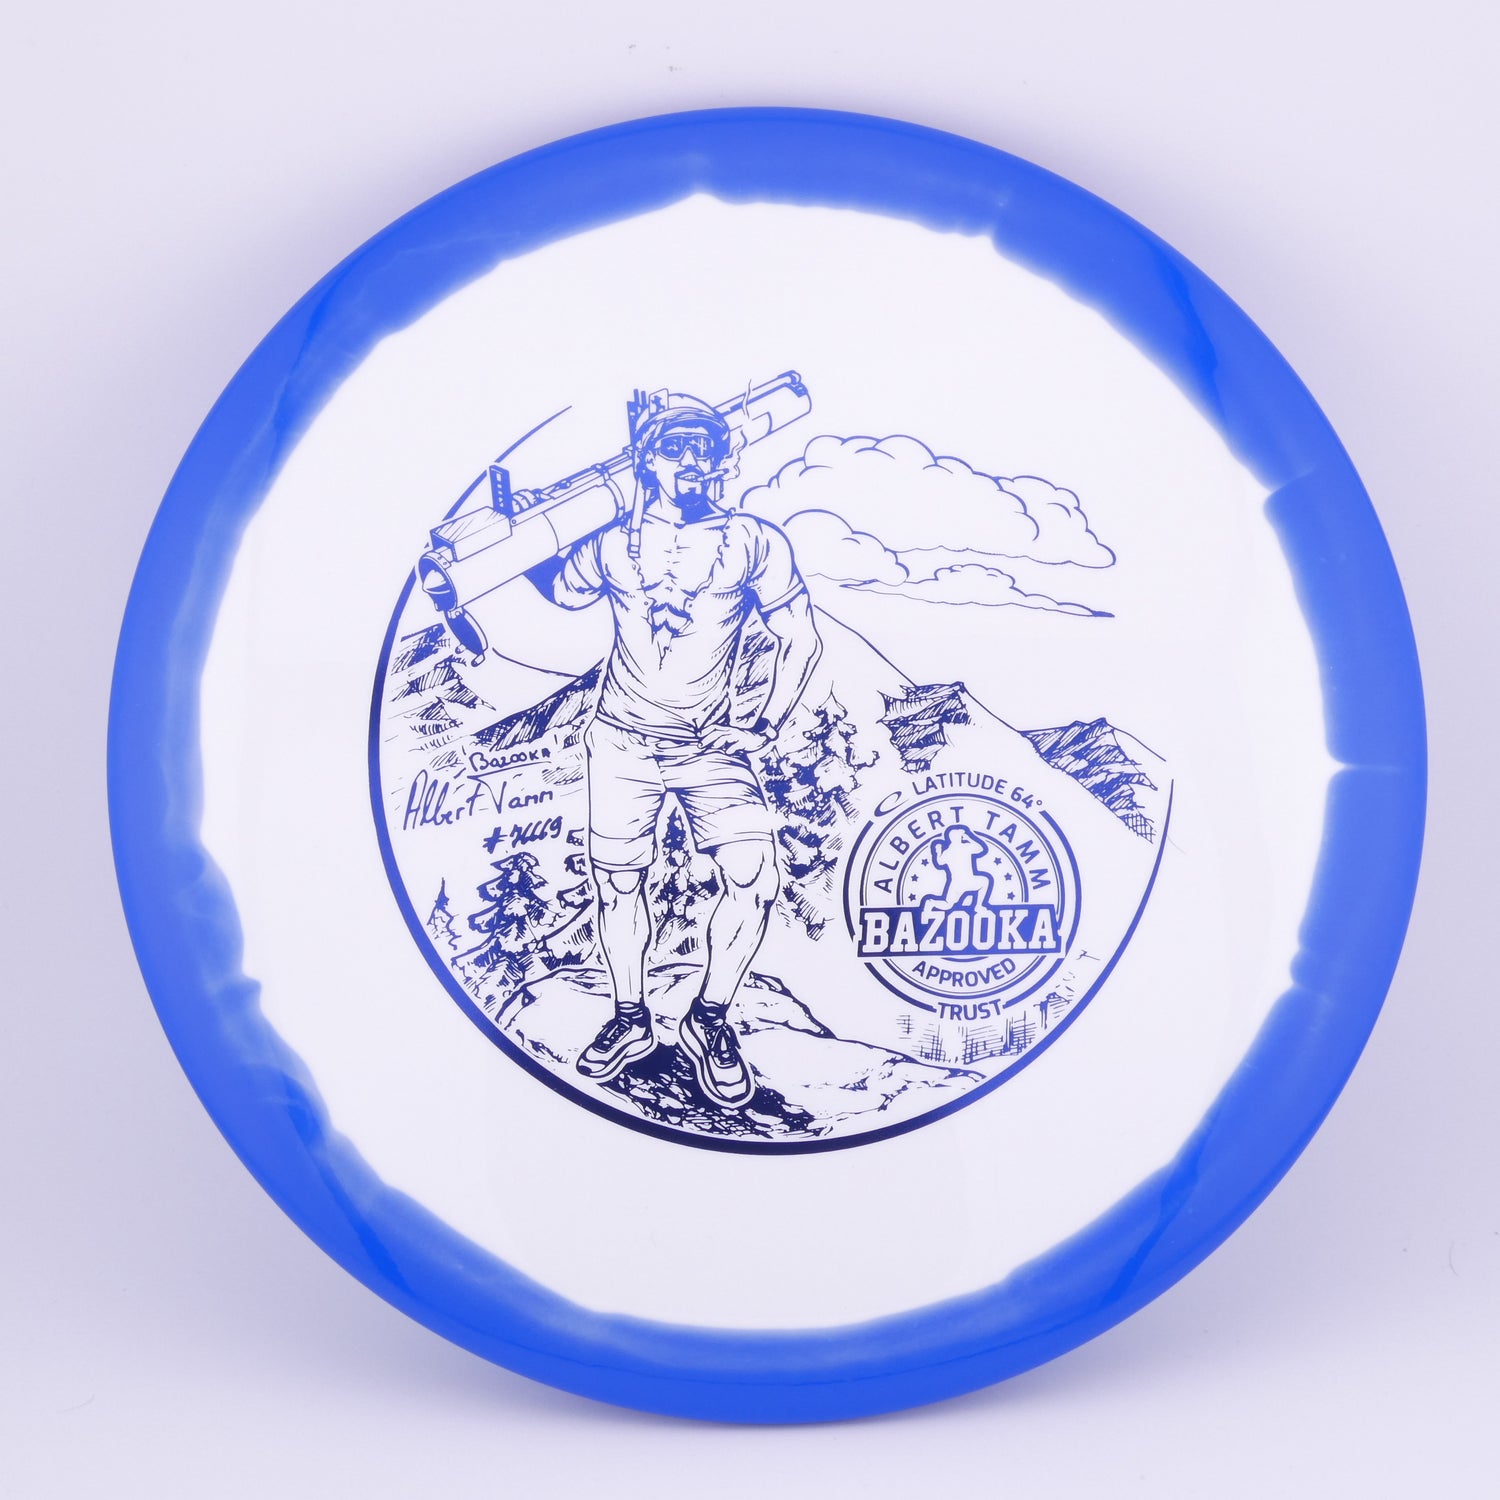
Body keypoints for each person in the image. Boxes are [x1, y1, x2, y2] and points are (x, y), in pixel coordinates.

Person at [527, 390, 822, 1108]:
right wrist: (530, 533)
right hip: (621, 741)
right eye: (674, 447)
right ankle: (630, 1016)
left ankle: (708, 1018)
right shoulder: (610, 544)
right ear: (647, 459)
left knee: (753, 878)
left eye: (704, 447)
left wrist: (760, 727)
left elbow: (801, 638)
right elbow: (557, 590)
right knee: (618, 884)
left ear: (722, 459)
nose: (691, 460)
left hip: (709, 746)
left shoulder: (753, 541)